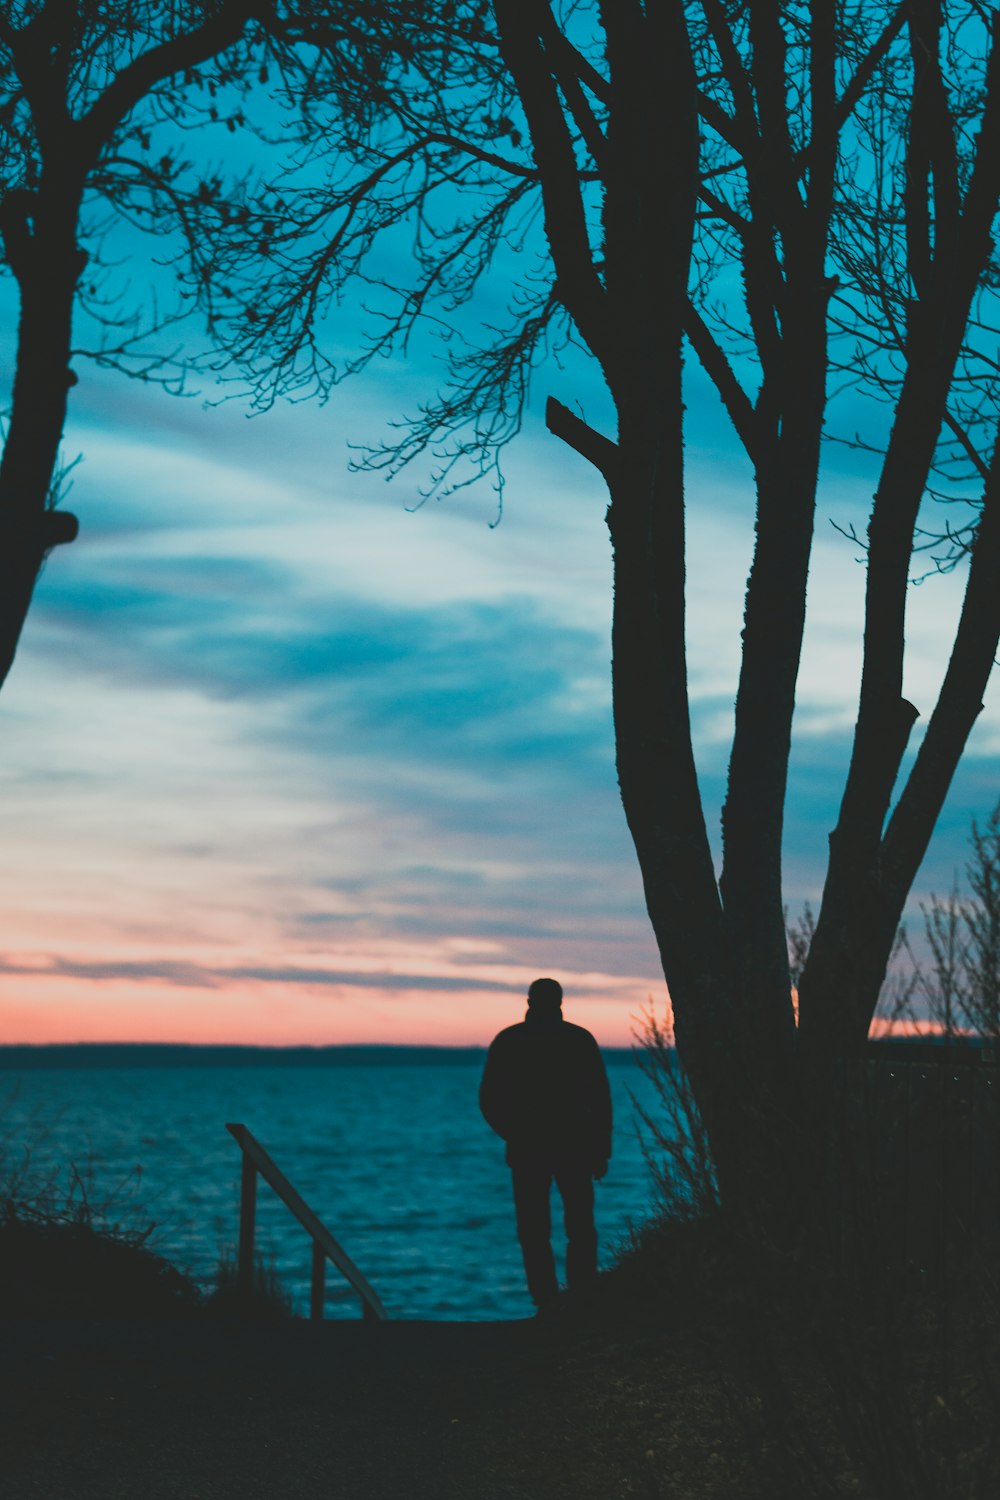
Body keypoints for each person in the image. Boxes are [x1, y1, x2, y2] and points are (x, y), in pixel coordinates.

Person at [479, 977, 612, 1310]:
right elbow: (601, 1100)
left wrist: (514, 1133)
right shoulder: (578, 1040)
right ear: (560, 1003)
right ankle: (574, 1298)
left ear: (529, 1002)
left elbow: (490, 1099)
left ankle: (550, 1300)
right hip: (569, 1148)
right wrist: (600, 1148)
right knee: (574, 1228)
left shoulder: (511, 1040)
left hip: (537, 1150)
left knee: (540, 1231)